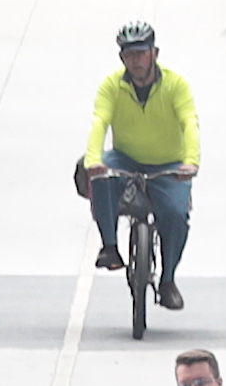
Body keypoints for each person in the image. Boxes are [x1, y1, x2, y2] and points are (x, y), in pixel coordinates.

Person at [82, 22, 201, 313]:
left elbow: (189, 121)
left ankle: (168, 281)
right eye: (129, 55)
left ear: (154, 53)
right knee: (102, 177)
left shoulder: (175, 84)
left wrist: (191, 161)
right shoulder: (113, 85)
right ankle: (109, 246)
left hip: (170, 164)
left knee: (175, 215)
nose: (135, 61)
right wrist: (92, 160)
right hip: (127, 159)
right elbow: (100, 120)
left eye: (141, 53)